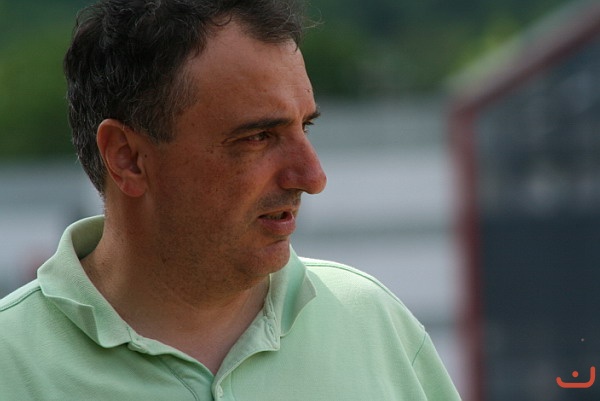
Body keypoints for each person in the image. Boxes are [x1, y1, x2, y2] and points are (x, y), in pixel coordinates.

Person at [0, 0, 461, 400]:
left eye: (305, 127)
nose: (313, 178)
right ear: (128, 158)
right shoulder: (11, 364)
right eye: (258, 137)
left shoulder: (373, 323)